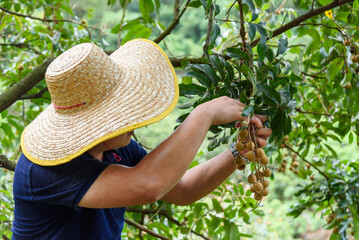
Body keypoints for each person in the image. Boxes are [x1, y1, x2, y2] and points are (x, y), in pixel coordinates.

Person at [11, 39, 272, 239]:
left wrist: (239, 153)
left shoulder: (118, 149)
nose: (134, 121)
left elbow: (180, 190)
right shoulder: (42, 170)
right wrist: (204, 114)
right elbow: (150, 185)